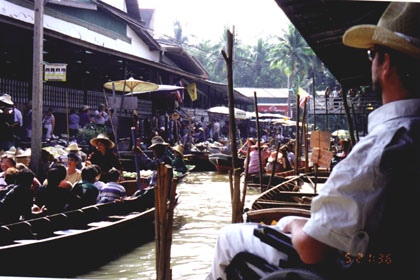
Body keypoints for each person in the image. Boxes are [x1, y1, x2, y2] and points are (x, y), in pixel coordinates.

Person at [208, 3, 420, 279]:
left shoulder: (383, 147)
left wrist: (297, 224)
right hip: (391, 263)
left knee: (229, 236)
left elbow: (312, 250)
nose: (371, 63)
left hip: (354, 268)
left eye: (372, 54)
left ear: (386, 64)